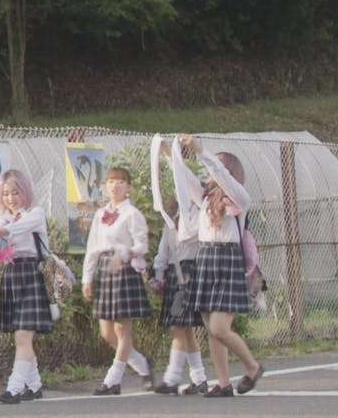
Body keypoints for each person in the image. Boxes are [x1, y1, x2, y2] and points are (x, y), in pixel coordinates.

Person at [166, 136, 266, 397]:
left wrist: (202, 151)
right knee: (211, 329)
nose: (209, 172)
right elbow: (185, 179)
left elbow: (220, 173)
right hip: (206, 258)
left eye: (216, 167)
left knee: (219, 328)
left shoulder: (239, 199)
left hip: (227, 259)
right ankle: (223, 383)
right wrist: (170, 154)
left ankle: (252, 366)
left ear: (229, 172)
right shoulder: (206, 198)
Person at [80, 166, 154, 394]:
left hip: (123, 269)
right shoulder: (100, 214)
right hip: (104, 269)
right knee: (107, 333)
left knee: (122, 330)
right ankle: (143, 365)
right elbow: (93, 247)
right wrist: (87, 278)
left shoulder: (132, 214)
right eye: (111, 181)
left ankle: (112, 380)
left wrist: (124, 253)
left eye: (120, 182)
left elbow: (142, 245)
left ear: (128, 187)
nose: (115, 186)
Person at [0, 168, 55, 403]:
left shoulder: (35, 214)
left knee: (23, 334)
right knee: (21, 335)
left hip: (32, 273)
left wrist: (2, 231)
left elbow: (17, 228)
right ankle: (34, 386)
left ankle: (14, 388)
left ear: (25, 191)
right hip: (13, 273)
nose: (10, 198)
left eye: (15, 192)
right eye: (5, 194)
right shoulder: (2, 218)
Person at [149, 139, 208, 395]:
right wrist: (158, 275)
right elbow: (163, 252)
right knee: (184, 328)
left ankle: (172, 377)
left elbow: (194, 239)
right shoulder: (170, 222)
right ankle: (199, 378)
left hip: (190, 272)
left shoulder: (200, 217)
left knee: (179, 327)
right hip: (175, 274)